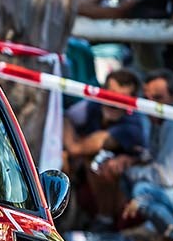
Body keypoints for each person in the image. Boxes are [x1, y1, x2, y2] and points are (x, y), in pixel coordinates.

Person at [69, 70, 173, 241]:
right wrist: (132, 161)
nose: (151, 105)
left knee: (142, 191)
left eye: (158, 98)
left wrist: (128, 169)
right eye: (147, 98)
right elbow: (156, 161)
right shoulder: (168, 112)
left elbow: (165, 176)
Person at [62, 69, 147, 229]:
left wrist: (73, 145)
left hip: (125, 193)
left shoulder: (132, 126)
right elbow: (66, 118)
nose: (113, 103)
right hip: (87, 183)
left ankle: (105, 221)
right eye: (111, 94)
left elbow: (79, 147)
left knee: (101, 164)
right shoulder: (92, 106)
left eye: (121, 98)